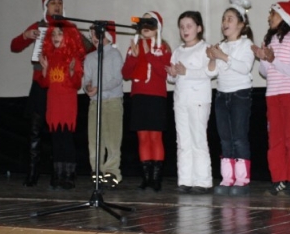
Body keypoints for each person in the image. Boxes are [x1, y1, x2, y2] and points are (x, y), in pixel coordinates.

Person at [10, 0, 65, 186]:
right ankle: (33, 171)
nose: (57, 6)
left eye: (59, 3)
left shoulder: (67, 28)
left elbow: (84, 50)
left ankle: (56, 173)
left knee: (56, 131)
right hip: (40, 85)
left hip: (59, 86)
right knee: (35, 130)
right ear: (46, 7)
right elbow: (14, 46)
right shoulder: (38, 26)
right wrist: (26, 35)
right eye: (53, 3)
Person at [252, 0, 290, 196]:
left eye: (273, 13)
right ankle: (278, 179)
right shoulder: (270, 39)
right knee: (275, 140)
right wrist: (263, 58)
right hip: (272, 95)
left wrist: (272, 59)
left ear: (284, 17)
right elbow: (265, 72)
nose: (269, 17)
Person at [207, 0, 255, 196]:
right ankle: (227, 178)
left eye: (230, 19)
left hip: (240, 95)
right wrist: (212, 58)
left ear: (241, 25)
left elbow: (245, 68)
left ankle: (242, 180)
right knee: (225, 138)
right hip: (221, 95)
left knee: (239, 138)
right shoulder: (222, 46)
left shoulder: (246, 44)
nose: (225, 23)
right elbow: (211, 73)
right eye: (223, 19)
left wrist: (222, 56)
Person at [122, 11, 172, 192]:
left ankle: (156, 179)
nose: (146, 27)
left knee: (155, 137)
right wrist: (134, 57)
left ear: (157, 27)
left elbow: (164, 72)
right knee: (142, 137)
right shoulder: (134, 47)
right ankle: (146, 178)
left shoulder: (163, 48)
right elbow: (126, 74)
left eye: (150, 23)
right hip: (139, 97)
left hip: (156, 97)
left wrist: (149, 54)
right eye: (143, 23)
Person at [167, 11, 213, 194]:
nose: (185, 30)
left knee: (198, 140)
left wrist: (187, 72)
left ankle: (203, 181)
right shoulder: (178, 51)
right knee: (183, 141)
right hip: (181, 101)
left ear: (199, 28)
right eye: (182, 27)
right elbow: (172, 79)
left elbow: (210, 72)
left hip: (198, 100)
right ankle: (185, 179)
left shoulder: (205, 49)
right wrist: (172, 74)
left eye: (189, 26)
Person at [37, 21, 86, 189]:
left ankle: (69, 175)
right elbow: (45, 83)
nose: (56, 37)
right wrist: (44, 69)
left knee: (66, 139)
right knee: (56, 139)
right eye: (53, 34)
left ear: (68, 37)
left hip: (67, 104)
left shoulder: (73, 58)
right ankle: (58, 174)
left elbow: (77, 84)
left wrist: (72, 72)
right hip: (53, 104)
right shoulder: (49, 56)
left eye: (59, 33)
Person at [82, 22, 124, 188]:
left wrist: (99, 87)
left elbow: (117, 79)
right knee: (94, 140)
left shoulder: (114, 54)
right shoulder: (90, 58)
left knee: (113, 139)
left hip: (112, 102)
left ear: (107, 35)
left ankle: (112, 172)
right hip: (95, 103)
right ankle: (97, 170)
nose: (94, 38)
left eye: (97, 34)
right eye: (92, 35)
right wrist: (88, 87)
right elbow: (86, 79)